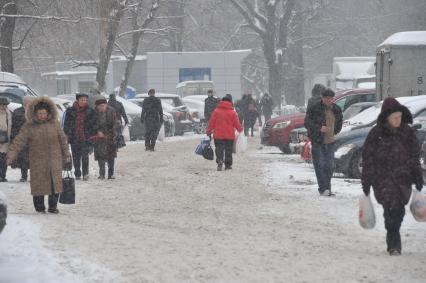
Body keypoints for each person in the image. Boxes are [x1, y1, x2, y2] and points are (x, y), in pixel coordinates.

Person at [362, 97, 423, 256]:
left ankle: (392, 234)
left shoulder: (407, 133)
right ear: (387, 118)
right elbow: (368, 158)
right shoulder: (376, 134)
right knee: (390, 210)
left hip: (403, 179)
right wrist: (366, 181)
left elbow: (414, 157)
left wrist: (418, 178)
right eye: (395, 118)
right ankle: (394, 243)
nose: (398, 120)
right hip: (382, 180)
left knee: (399, 211)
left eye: (400, 117)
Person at [6, 96, 71, 214]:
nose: (42, 116)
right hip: (37, 160)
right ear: (35, 113)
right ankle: (39, 207)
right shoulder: (29, 126)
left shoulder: (54, 124)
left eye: (44, 113)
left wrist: (67, 153)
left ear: (48, 113)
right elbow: (18, 141)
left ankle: (53, 207)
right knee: (39, 184)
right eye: (39, 113)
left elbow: (62, 139)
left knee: (54, 183)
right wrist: (11, 155)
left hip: (54, 160)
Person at [304, 88, 342, 196]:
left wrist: (335, 131)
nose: (328, 100)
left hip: (330, 141)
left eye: (330, 98)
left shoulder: (336, 109)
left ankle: (327, 188)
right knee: (319, 165)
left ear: (332, 99)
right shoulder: (315, 108)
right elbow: (307, 123)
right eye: (326, 98)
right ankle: (323, 189)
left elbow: (339, 122)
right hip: (318, 141)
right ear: (323, 98)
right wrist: (319, 128)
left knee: (329, 166)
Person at [63, 93, 96, 180]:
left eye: (85, 100)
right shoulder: (70, 111)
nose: (84, 102)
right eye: (82, 100)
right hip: (74, 137)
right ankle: (77, 173)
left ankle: (85, 174)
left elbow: (93, 124)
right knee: (75, 157)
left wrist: (91, 134)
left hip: (85, 137)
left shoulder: (90, 111)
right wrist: (66, 133)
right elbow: (66, 124)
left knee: (85, 156)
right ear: (77, 100)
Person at [206, 96, 243, 171]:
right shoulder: (233, 112)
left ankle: (220, 160)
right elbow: (237, 123)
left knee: (219, 149)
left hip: (218, 135)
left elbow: (211, 122)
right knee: (228, 150)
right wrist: (240, 129)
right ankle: (228, 165)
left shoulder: (216, 111)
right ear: (230, 102)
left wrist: (209, 131)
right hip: (229, 135)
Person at [92, 98, 118, 179]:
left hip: (110, 136)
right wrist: (97, 131)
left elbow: (115, 124)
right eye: (99, 106)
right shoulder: (94, 113)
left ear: (106, 105)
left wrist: (108, 134)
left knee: (111, 156)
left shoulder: (111, 111)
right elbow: (92, 124)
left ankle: (111, 174)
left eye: (103, 106)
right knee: (100, 156)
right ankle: (102, 174)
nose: (101, 108)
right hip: (98, 137)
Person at [10, 96, 34, 182]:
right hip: (22, 138)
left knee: (33, 158)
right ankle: (24, 176)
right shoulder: (17, 112)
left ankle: (33, 176)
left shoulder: (34, 112)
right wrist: (14, 137)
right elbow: (14, 126)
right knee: (23, 158)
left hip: (33, 139)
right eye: (29, 102)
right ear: (25, 103)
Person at [0, 97, 12, 182]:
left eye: (5, 105)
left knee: (4, 159)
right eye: (2, 105)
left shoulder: (9, 114)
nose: (3, 106)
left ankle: (3, 176)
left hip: (6, 140)